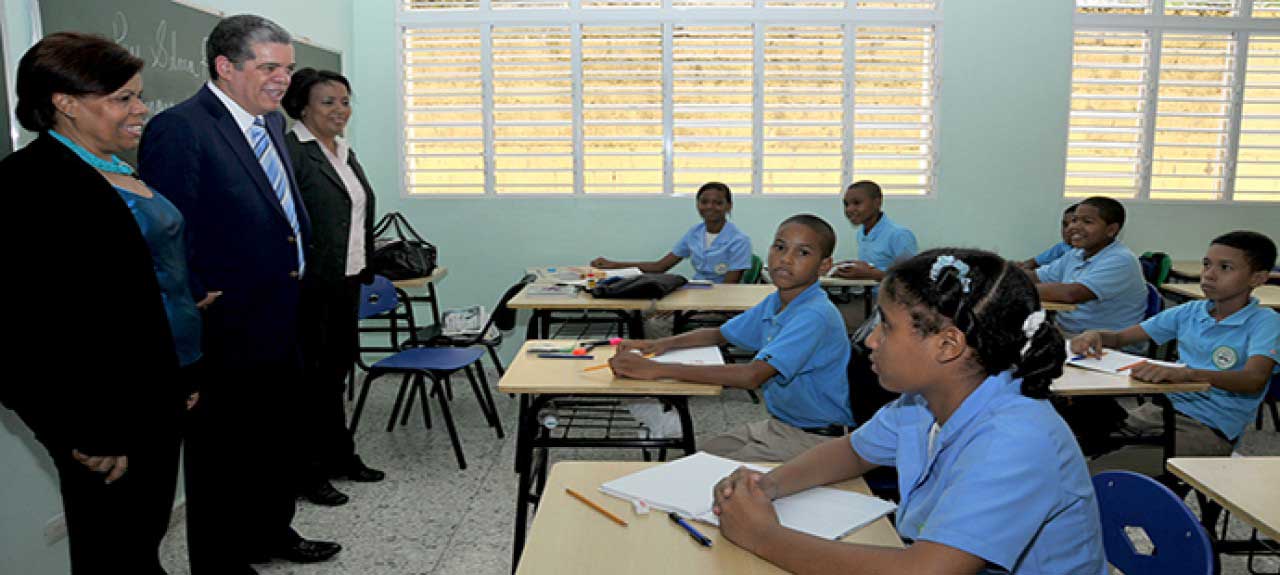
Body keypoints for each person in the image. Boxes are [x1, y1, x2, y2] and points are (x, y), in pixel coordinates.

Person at [711, 249, 1107, 575]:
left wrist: (762, 536)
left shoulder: (1016, 439)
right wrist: (768, 487)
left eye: (885, 326)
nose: (870, 340)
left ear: (948, 345)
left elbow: (925, 571)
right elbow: (852, 451)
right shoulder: (924, 401)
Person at [138, 14, 340, 574]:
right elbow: (168, 229)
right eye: (269, 67)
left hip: (284, 311)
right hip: (226, 324)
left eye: (288, 68)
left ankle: (271, 532)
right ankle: (222, 561)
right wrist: (200, 292)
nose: (282, 80)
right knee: (224, 454)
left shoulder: (270, 123)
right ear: (226, 68)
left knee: (275, 439)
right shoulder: (182, 128)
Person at [0, 32, 184, 574]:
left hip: (152, 398)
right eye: (123, 98)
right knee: (113, 551)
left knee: (140, 541)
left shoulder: (114, 170)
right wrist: (79, 430)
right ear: (66, 104)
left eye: (139, 94)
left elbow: (116, 289)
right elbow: (16, 329)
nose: (141, 108)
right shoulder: (26, 187)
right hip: (103, 423)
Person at [609, 215, 852, 462]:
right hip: (780, 425)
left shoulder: (814, 314)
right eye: (780, 247)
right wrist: (659, 344)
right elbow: (719, 334)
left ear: (824, 266)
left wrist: (657, 370)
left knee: (711, 480)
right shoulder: (778, 301)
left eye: (803, 253)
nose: (786, 258)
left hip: (815, 439)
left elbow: (751, 376)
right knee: (697, 460)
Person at [1074, 231, 1279, 476]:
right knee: (1069, 444)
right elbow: (1120, 338)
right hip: (1159, 413)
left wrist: (1186, 374)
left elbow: (1253, 379)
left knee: (1097, 476)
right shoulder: (1190, 311)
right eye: (1207, 264)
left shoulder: (1265, 322)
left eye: (1225, 267)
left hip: (1207, 429)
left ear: (1258, 278)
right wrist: (1094, 335)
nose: (1210, 274)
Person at [282, 68, 384, 507]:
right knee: (311, 382)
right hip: (312, 285)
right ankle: (308, 472)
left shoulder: (343, 151)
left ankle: (341, 456)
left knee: (337, 375)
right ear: (302, 105)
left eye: (344, 101)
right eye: (328, 102)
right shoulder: (293, 151)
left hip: (347, 280)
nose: (340, 110)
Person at [1029, 196, 1146, 338]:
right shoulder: (1076, 254)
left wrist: (1014, 288)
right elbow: (1036, 277)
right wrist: (999, 272)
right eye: (1074, 220)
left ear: (1111, 230)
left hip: (1106, 344)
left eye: (1087, 222)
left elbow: (1071, 294)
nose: (1074, 227)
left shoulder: (1121, 260)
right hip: (1067, 334)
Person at [591, 182, 752, 284]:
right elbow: (660, 266)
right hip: (695, 291)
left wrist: (682, 307)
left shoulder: (739, 241)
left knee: (657, 320)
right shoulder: (695, 233)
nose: (710, 207)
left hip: (719, 302)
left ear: (728, 206)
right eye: (704, 202)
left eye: (718, 203)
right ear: (697, 205)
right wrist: (614, 265)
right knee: (646, 308)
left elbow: (728, 289)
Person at [831, 180, 917, 281]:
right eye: (846, 204)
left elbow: (911, 277)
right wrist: (845, 267)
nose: (849, 209)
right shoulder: (862, 234)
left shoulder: (899, 235)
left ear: (877, 203)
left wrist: (872, 274)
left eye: (857, 203)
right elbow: (873, 266)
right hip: (866, 294)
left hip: (890, 295)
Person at [1020, 203, 1078, 270]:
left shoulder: (1086, 255)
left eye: (1074, 225)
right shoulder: (1062, 247)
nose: (1067, 230)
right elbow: (1032, 263)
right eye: (1065, 225)